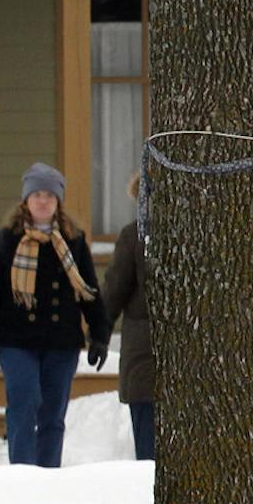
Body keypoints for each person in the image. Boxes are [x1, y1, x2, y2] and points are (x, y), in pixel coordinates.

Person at [0, 164, 110, 469]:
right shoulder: (5, 241)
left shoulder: (73, 241)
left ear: (58, 200)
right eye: (37, 195)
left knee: (52, 413)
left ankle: (49, 473)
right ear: (25, 201)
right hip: (16, 339)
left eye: (49, 195)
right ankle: (22, 472)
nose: (43, 201)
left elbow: (89, 289)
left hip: (62, 341)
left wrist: (99, 335)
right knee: (23, 403)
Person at [99, 173, 156, 461]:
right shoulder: (133, 236)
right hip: (143, 354)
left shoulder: (192, 234)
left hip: (179, 361)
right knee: (148, 451)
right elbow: (114, 290)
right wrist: (100, 332)